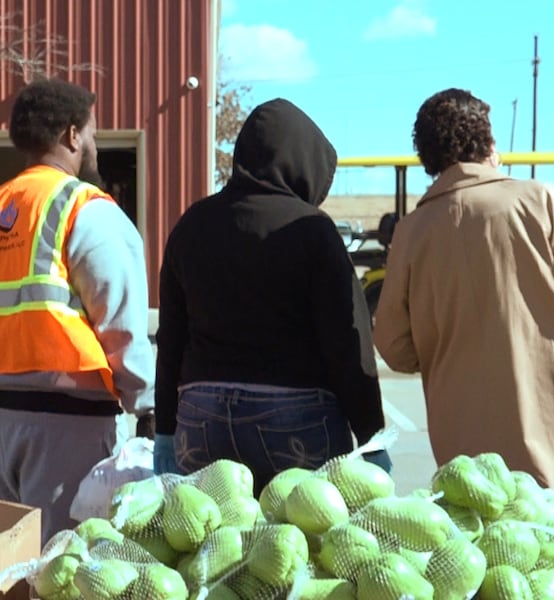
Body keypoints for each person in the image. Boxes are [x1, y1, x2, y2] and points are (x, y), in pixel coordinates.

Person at [372, 88, 554, 499]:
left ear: (428, 157)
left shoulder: (411, 232)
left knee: (498, 556)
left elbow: (394, 347)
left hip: (467, 460)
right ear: (490, 144)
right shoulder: (538, 199)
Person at [0, 78, 154, 544]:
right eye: (93, 133)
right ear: (72, 135)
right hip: (64, 419)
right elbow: (121, 321)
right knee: (63, 561)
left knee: (5, 557)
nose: (94, 144)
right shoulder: (86, 210)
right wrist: (147, 405)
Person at [153, 98, 391, 495]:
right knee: (301, 546)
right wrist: (372, 438)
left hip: (201, 416)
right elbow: (347, 343)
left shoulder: (192, 225)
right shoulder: (312, 230)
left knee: (211, 544)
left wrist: (164, 430)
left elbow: (171, 338)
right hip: (294, 417)